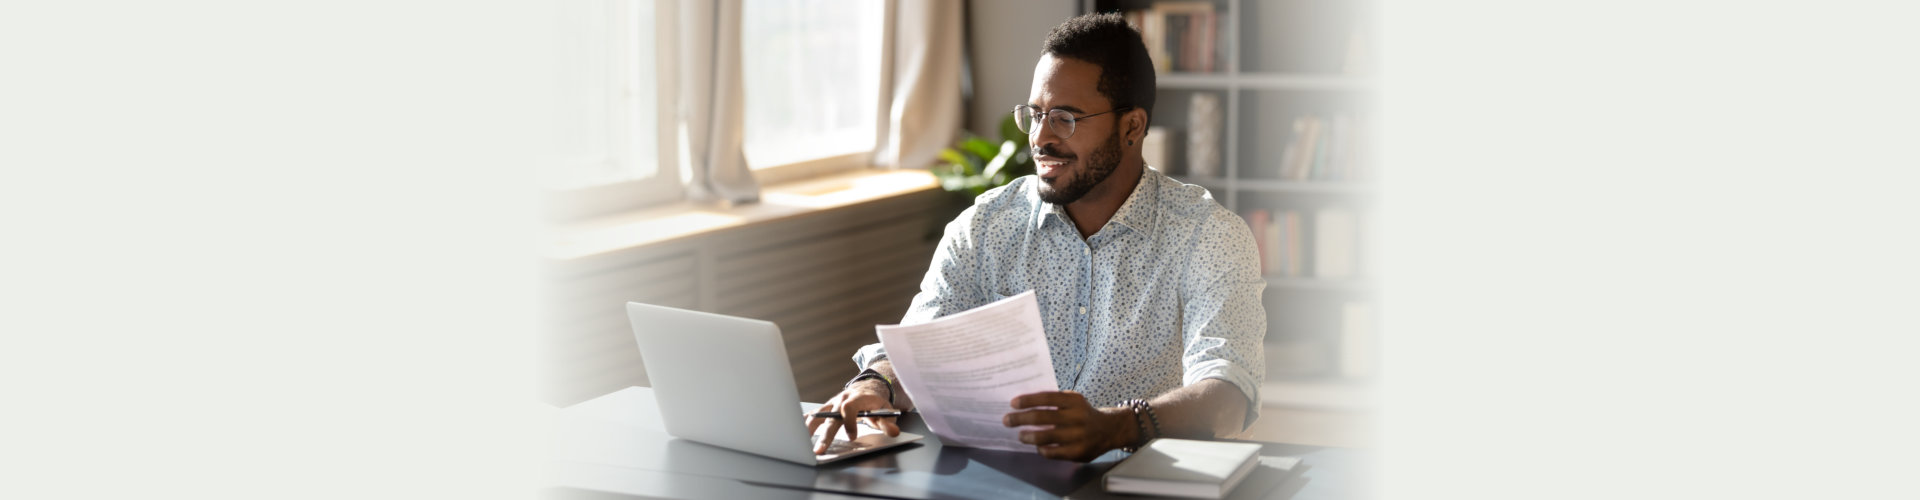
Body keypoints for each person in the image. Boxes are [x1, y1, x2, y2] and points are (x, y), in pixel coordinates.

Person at [804, 13, 1266, 462]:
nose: (1041, 138)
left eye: (1066, 118)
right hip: (1001, 480)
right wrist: (874, 385)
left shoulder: (1208, 235)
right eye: (1036, 113)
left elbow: (1229, 393)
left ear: (1132, 127)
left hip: (1139, 482)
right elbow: (919, 349)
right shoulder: (987, 224)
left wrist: (1116, 428)